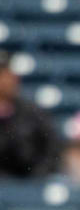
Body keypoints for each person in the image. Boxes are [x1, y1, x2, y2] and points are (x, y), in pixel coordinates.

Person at [0, 50, 59, 178]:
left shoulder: (33, 112)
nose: (6, 81)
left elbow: (51, 151)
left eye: (7, 75)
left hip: (30, 181)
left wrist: (35, 179)